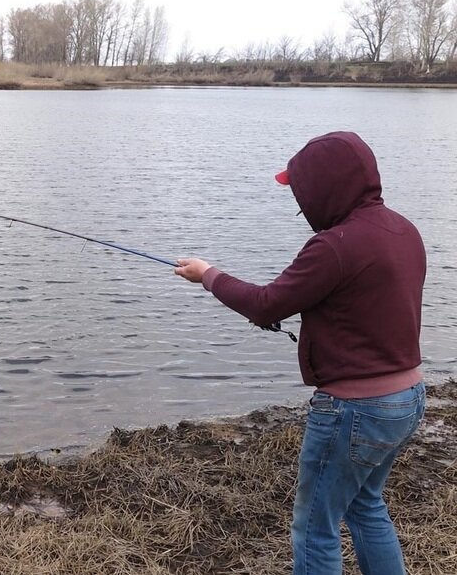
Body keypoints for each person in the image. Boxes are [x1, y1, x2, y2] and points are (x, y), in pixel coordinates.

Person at [174, 131, 426, 575]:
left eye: (302, 193)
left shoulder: (334, 245)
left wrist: (208, 274)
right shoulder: (404, 230)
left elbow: (267, 303)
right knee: (366, 505)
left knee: (314, 527)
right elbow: (360, 306)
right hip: (407, 398)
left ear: (325, 188)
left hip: (355, 409)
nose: (301, 205)